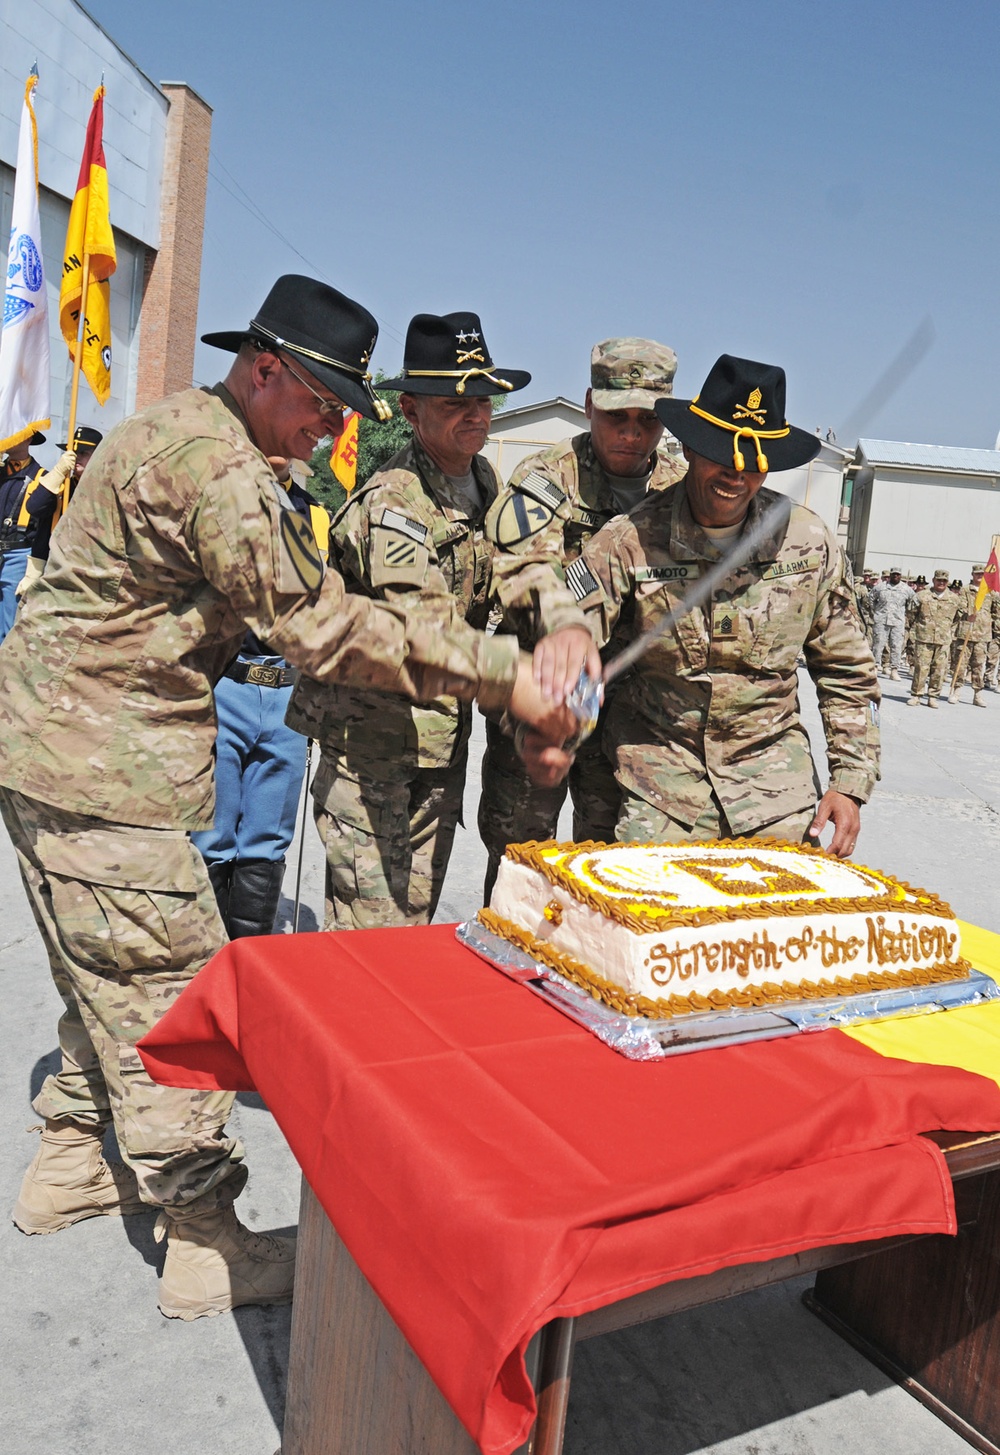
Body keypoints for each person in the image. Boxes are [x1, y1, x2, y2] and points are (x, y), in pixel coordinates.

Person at [0, 276, 584, 1321]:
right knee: (172, 998)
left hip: (60, 756)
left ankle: (71, 1167)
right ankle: (205, 1241)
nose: (330, 430)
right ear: (263, 370)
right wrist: (506, 672)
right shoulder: (220, 470)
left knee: (105, 973)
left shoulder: (186, 431)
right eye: (320, 403)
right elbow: (317, 629)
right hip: (104, 767)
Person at [531, 354, 881, 859]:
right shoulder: (628, 541)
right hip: (659, 786)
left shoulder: (807, 541)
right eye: (723, 454)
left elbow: (848, 670)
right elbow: (575, 644)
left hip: (775, 789)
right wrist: (556, 730)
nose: (738, 475)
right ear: (691, 447)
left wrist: (850, 780)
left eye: (755, 462)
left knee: (782, 929)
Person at [288, 310, 550, 927]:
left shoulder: (484, 481)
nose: (477, 413)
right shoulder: (393, 501)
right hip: (372, 756)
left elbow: (517, 573)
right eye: (456, 400)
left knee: (415, 929)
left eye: (485, 397)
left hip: (438, 748)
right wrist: (524, 679)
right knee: (370, 940)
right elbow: (425, 623)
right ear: (409, 409)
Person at [479, 337, 685, 897]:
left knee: (607, 871)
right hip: (542, 702)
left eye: (648, 419)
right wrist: (566, 625)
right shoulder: (547, 477)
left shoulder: (680, 485)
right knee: (522, 864)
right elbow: (524, 566)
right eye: (618, 415)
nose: (632, 433)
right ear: (591, 404)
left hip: (629, 714)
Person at [193, 459, 327, 938]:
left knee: (268, 841)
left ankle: (249, 958)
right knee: (213, 836)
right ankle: (206, 965)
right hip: (226, 682)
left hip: (286, 694)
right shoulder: (222, 493)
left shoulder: (312, 514)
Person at [17, 426, 104, 592]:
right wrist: (58, 471)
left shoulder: (104, 489)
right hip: (55, 566)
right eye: (73, 452)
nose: (76, 457)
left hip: (90, 569)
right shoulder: (61, 486)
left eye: (84, 453)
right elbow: (34, 507)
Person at [0, 431, 46, 640]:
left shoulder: (41, 476)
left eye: (14, 432)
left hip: (17, 554)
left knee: (8, 622)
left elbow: (43, 524)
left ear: (28, 439)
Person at [907, 569, 962, 707]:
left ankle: (933, 696)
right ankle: (916, 695)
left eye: (944, 581)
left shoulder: (955, 599)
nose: (941, 583)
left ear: (947, 582)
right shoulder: (922, 596)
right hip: (924, 638)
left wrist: (946, 630)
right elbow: (911, 615)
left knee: (939, 669)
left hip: (943, 640)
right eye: (939, 580)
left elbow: (956, 618)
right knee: (921, 668)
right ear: (933, 580)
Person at [948, 564, 991, 706]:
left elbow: (996, 611)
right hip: (966, 632)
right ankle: (956, 691)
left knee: (978, 666)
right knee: (960, 664)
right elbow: (959, 607)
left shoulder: (990, 591)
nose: (979, 576)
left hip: (982, 635)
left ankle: (977, 695)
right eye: (977, 573)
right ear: (972, 574)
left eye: (982, 574)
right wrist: (967, 615)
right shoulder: (965, 590)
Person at [869, 566, 914, 680]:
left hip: (897, 622)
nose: (895, 576)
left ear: (900, 576)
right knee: (878, 644)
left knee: (896, 646)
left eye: (898, 574)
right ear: (890, 575)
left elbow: (913, 602)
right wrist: (877, 611)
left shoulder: (906, 589)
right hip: (881, 620)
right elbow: (871, 599)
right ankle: (875, 666)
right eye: (893, 574)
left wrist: (905, 612)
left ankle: (894, 670)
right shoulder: (881, 587)